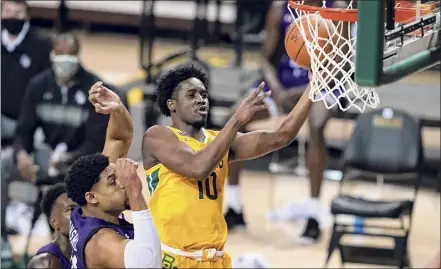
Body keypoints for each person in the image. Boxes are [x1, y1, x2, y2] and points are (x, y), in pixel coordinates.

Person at [142, 64, 313, 268]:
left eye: (203, 94)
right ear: (172, 104)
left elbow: (281, 136)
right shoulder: (158, 136)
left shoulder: (220, 142)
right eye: (191, 95)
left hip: (215, 260)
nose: (201, 99)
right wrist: (236, 120)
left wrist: (313, 87)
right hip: (172, 258)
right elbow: (197, 168)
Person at [224, 0, 348, 244]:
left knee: (317, 124)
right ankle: (234, 206)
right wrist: (279, 91)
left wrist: (304, 90)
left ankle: (313, 215)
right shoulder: (280, 8)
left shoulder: (338, 8)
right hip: (283, 87)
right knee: (234, 117)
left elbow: (342, 62)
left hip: (324, 85)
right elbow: (265, 59)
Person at [65, 82, 162, 268]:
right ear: (92, 197)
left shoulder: (88, 206)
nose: (121, 182)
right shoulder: (101, 242)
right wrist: (134, 190)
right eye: (113, 181)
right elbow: (148, 263)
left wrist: (118, 108)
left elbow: (118, 138)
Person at [1, 0, 52, 146]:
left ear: (27, 15)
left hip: (28, 122)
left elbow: (46, 85)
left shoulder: (42, 45)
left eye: (18, 13)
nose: (12, 17)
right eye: (8, 12)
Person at [27, 183, 75, 269]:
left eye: (81, 209)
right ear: (54, 222)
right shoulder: (45, 263)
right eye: (70, 210)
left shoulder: (92, 253)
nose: (78, 215)